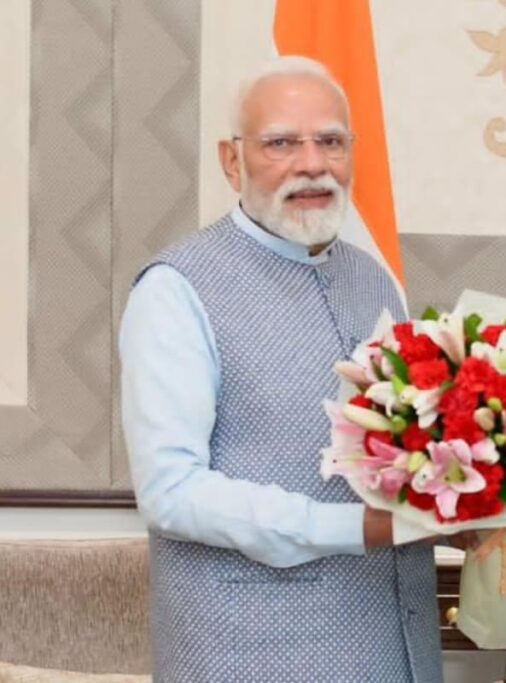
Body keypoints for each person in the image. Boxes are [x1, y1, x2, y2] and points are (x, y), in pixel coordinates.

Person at [119, 56, 442, 682]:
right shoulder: (176, 289)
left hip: (395, 645)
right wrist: (361, 527)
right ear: (231, 160)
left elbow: (400, 455)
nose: (312, 164)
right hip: (251, 654)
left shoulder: (373, 280)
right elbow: (171, 493)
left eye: (331, 141)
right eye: (281, 143)